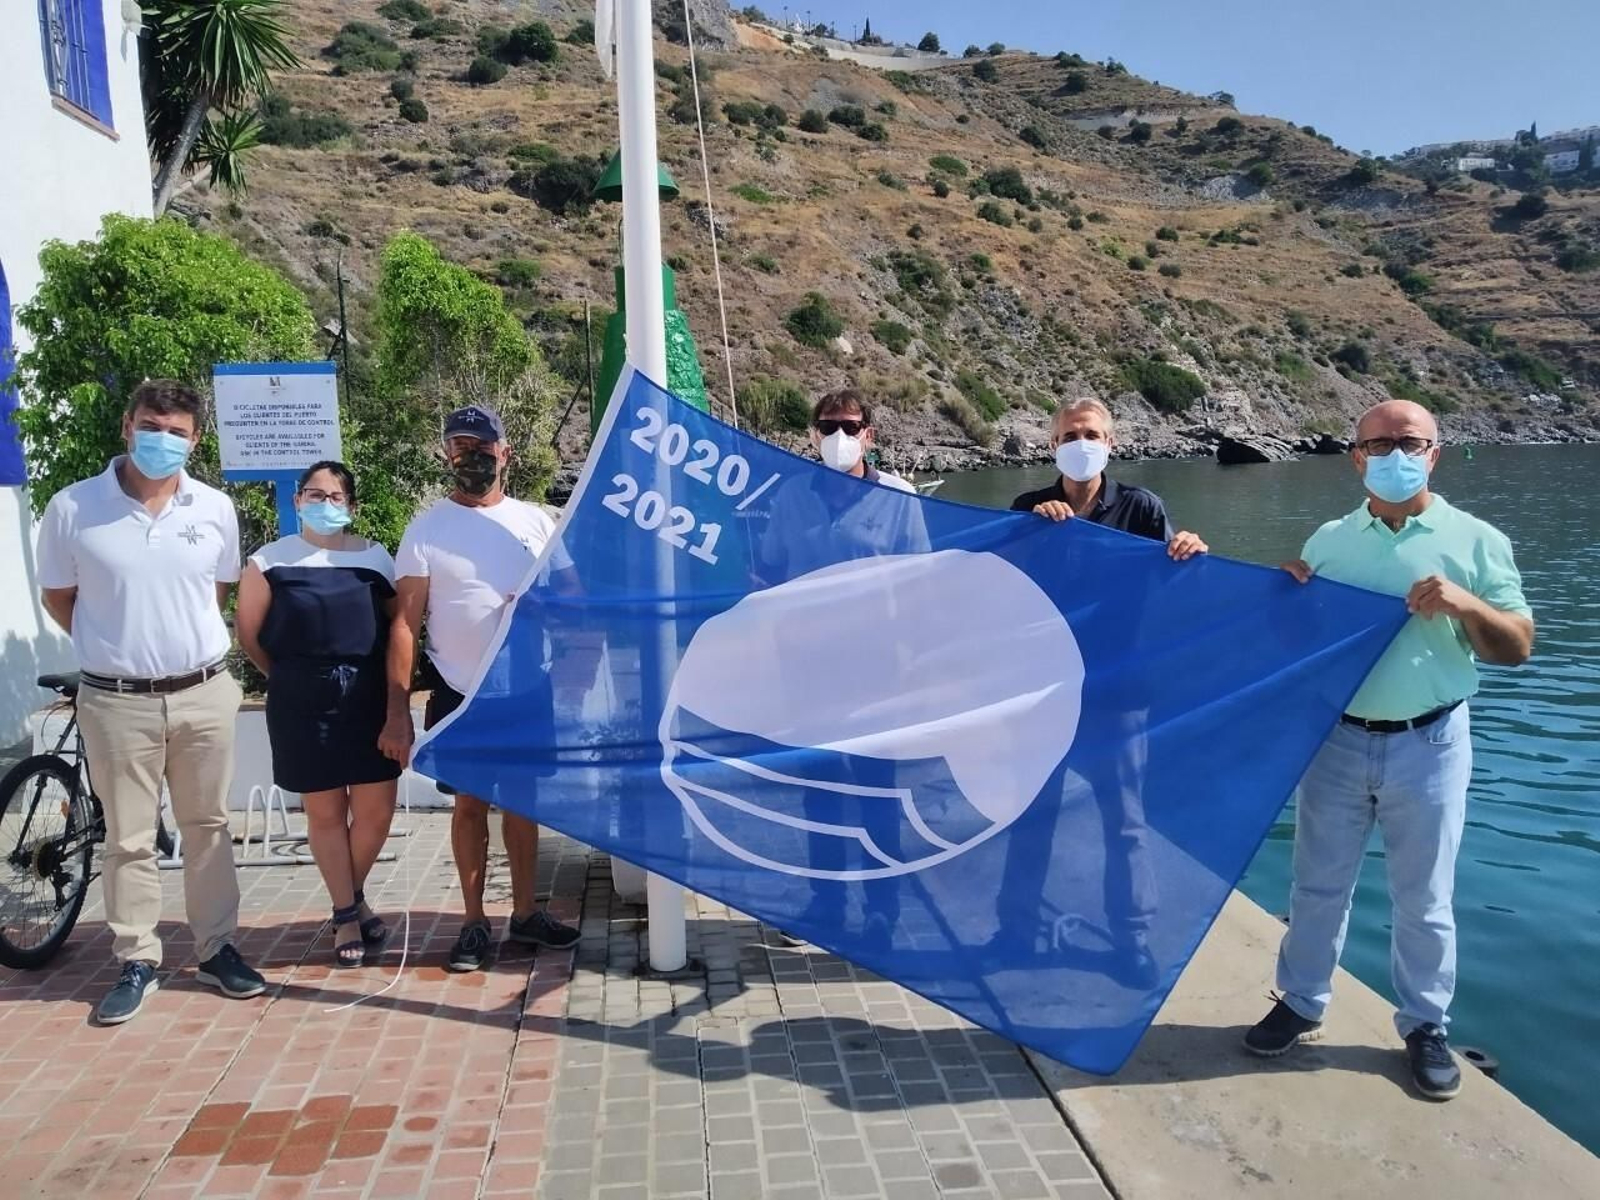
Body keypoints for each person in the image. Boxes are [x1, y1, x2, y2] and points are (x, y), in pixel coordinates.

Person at [1245, 399, 1534, 1102]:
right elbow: (1301, 649)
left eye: (1409, 442)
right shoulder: (1331, 540)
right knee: (1316, 884)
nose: (1393, 455)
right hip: (1338, 739)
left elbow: (1517, 647)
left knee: (1424, 897)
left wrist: (1467, 605)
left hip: (1429, 741)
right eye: (1378, 444)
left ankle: (1425, 1025)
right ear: (1356, 456)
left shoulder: (1476, 540)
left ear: (1434, 452)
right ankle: (1302, 1001)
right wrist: (1287, 598)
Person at [35, 379, 265, 1024]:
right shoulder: (74, 508)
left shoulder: (214, 508)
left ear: (195, 440)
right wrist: (117, 645)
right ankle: (138, 957)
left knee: (208, 827)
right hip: (116, 702)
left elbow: (213, 592)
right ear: (126, 426)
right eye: (151, 425)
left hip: (202, 692)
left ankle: (218, 949)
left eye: (177, 431)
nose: (162, 440)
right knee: (129, 840)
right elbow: (61, 599)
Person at [378, 404, 581, 972]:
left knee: (522, 804)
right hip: (459, 691)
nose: (471, 458)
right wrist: (397, 709)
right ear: (447, 455)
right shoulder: (426, 530)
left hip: (526, 688)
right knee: (469, 803)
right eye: (460, 447)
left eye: (482, 447)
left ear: (505, 453)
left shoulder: (538, 522)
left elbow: (573, 597)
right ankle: (473, 922)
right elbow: (403, 623)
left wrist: (545, 609)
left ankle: (524, 912)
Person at [757, 390, 929, 949]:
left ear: (869, 434)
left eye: (849, 425)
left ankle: (885, 911)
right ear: (811, 433)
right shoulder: (791, 497)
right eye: (828, 425)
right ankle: (824, 906)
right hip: (810, 674)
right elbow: (771, 575)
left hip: (879, 674)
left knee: (879, 794)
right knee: (820, 794)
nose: (838, 435)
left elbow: (921, 583)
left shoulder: (901, 498)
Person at [235, 461, 400, 968]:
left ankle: (353, 897)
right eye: (314, 493)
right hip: (302, 702)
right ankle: (347, 912)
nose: (324, 503)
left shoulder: (376, 558)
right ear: (297, 500)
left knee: (375, 813)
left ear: (350, 505)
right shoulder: (269, 561)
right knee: (326, 814)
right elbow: (249, 636)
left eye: (335, 496)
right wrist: (289, 678)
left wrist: (396, 705)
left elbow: (398, 629)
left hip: (368, 698)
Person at [1009, 396, 1207, 560]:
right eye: (1070, 437)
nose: (1082, 445)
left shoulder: (1141, 507)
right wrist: (1031, 527)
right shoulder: (1028, 507)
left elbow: (1171, 573)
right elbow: (1007, 570)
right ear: (1054, 445)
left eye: (1091, 435)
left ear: (1109, 444)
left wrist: (1190, 550)